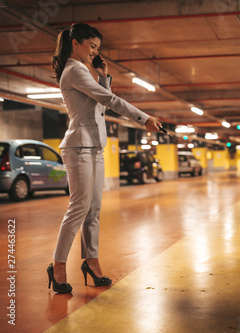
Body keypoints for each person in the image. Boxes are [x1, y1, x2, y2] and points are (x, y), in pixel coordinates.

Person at [47, 22, 162, 293]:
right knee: (78, 209)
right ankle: (58, 265)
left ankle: (91, 261)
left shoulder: (85, 71)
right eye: (92, 46)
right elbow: (109, 101)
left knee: (93, 211)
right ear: (75, 43)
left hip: (95, 148)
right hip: (78, 148)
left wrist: (103, 75)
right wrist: (143, 118)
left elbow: (99, 99)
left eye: (97, 48)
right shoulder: (74, 71)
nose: (94, 51)